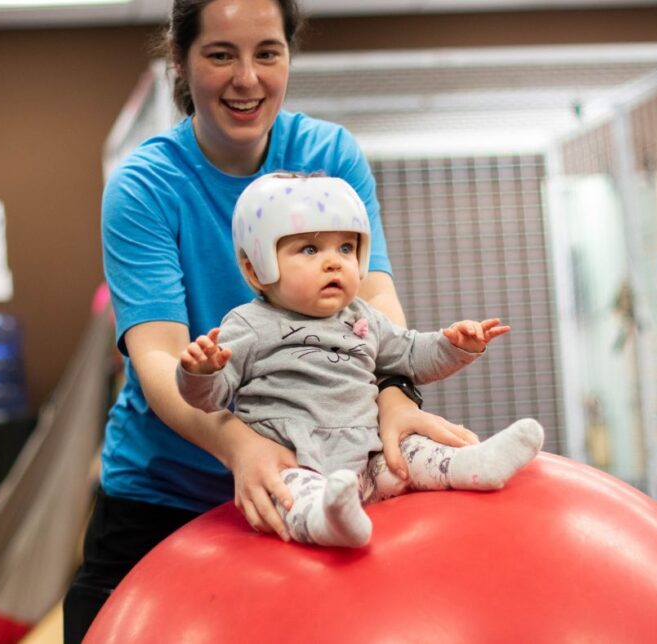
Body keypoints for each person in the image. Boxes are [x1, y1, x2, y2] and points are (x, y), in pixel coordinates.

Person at [63, 0, 481, 638]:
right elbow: (157, 356)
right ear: (179, 58)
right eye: (220, 54)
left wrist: (394, 396)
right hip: (166, 489)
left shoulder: (327, 153)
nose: (247, 79)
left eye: (267, 53)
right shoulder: (147, 184)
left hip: (319, 472)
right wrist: (239, 445)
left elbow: (372, 305)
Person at [176, 173, 544, 547]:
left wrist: (458, 346)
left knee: (416, 453)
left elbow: (412, 356)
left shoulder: (362, 317)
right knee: (289, 495)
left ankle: (474, 466)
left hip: (373, 459)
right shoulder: (248, 325)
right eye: (309, 250)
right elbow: (210, 398)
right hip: (296, 462)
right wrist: (202, 371)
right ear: (257, 268)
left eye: (346, 249)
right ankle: (329, 521)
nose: (333, 263)